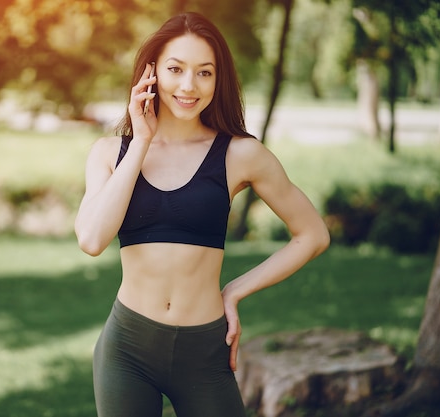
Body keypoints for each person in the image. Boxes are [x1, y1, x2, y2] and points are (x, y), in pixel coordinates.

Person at [74, 12, 330, 417]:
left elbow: (312, 234)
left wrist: (235, 291)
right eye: (176, 69)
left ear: (218, 79)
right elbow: (91, 240)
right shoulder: (111, 153)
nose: (189, 86)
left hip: (205, 352)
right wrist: (141, 141)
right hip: (127, 350)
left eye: (204, 73)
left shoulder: (241, 154)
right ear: (151, 71)